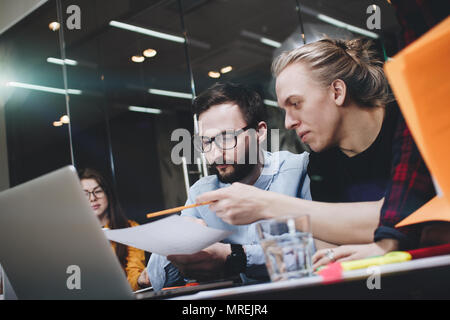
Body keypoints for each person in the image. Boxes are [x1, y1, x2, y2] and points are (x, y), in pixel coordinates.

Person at [197, 38, 436, 268]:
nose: (289, 122)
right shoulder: (321, 163)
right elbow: (326, 246)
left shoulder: (412, 124)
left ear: (337, 92)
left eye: (296, 103)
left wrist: (267, 204)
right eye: (284, 109)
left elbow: (406, 215)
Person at [147, 82, 311, 291]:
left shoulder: (297, 170)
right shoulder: (202, 192)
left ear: (259, 132)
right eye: (206, 142)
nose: (215, 155)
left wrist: (234, 256)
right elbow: (156, 281)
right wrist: (177, 241)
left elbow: (319, 250)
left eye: (226, 138)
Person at [78, 168, 149, 291]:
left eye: (98, 191)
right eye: (85, 194)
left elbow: (133, 274)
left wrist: (140, 280)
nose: (92, 198)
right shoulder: (72, 234)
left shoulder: (130, 229)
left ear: (108, 194)